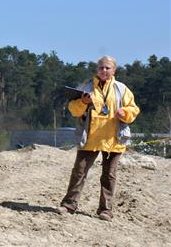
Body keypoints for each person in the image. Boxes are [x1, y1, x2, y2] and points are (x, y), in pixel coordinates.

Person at [57, 55, 140, 221]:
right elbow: (74, 110)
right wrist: (82, 102)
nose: (104, 70)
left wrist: (125, 113)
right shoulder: (86, 87)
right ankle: (69, 204)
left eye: (107, 68)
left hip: (113, 138)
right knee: (79, 172)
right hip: (89, 137)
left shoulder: (121, 89)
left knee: (109, 176)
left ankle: (106, 210)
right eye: (101, 67)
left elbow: (133, 109)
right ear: (97, 69)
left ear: (114, 70)